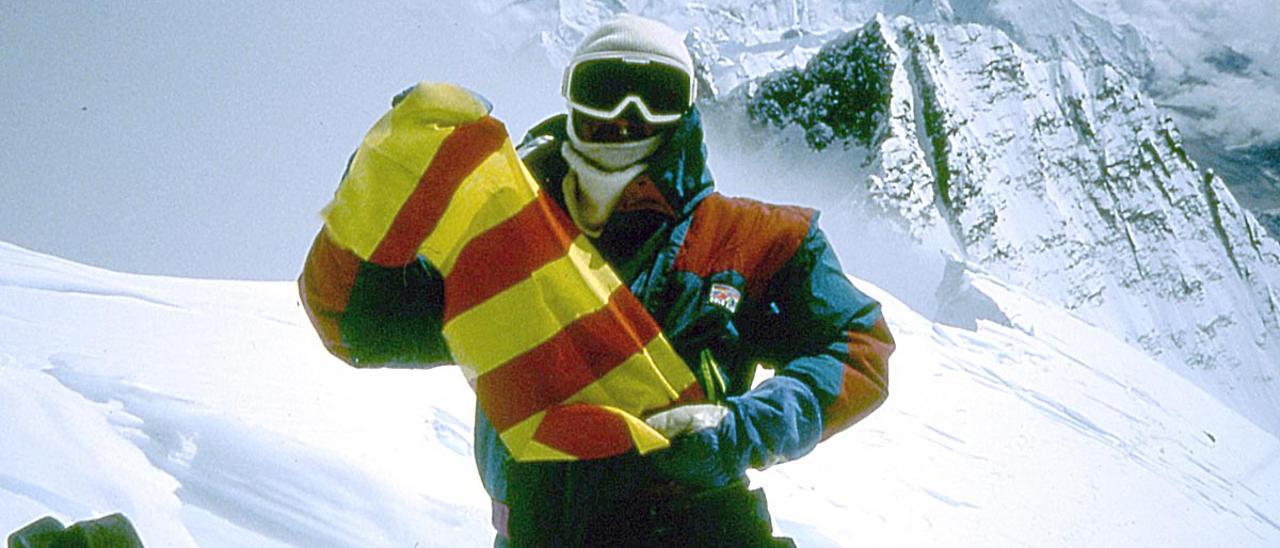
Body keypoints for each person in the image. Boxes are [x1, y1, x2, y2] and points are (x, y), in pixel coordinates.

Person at [300, 14, 895, 547]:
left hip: (700, 533)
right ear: (571, 101)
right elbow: (357, 326)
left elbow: (858, 347)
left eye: (654, 96)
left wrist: (741, 429)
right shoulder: (503, 245)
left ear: (685, 109)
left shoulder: (755, 239)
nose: (624, 117)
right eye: (602, 91)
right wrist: (381, 185)